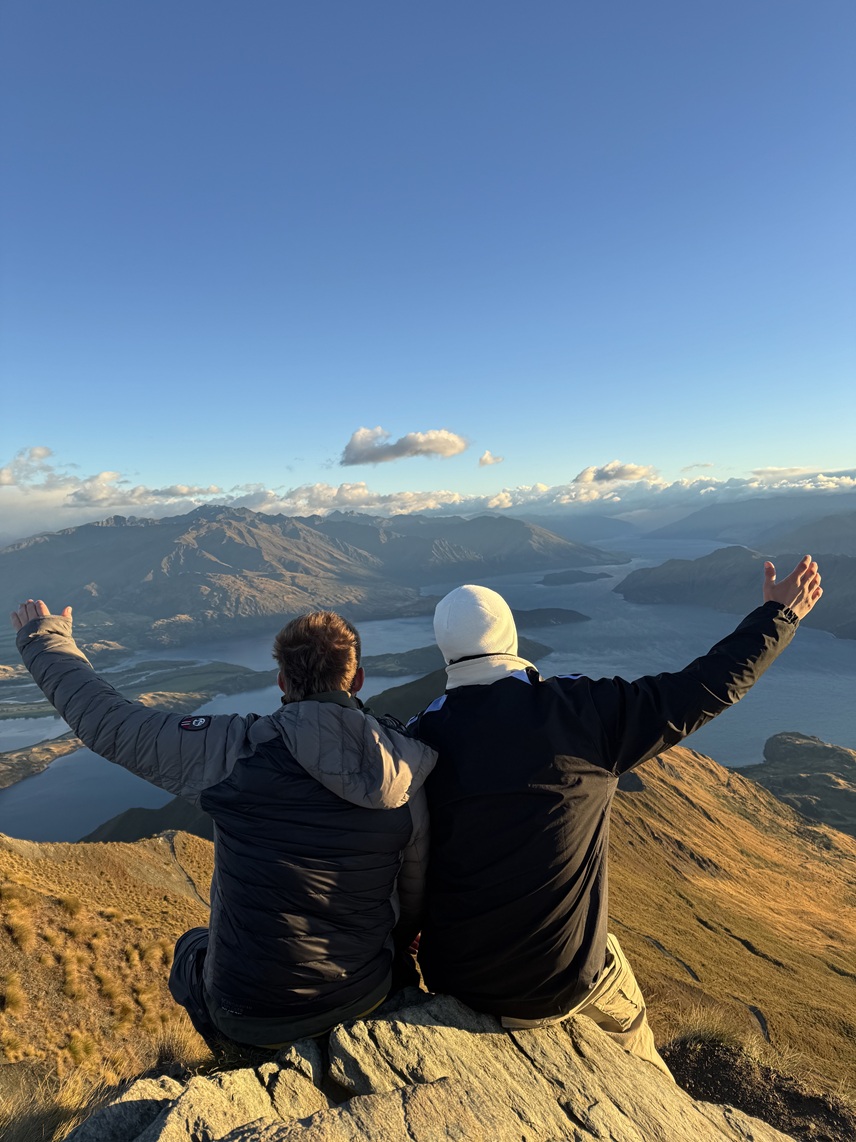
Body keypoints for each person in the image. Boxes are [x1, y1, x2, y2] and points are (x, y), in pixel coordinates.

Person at [408, 556, 823, 1077]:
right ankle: (658, 1099)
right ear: (511, 637)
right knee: (639, 1042)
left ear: (445, 651)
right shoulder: (582, 712)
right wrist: (779, 615)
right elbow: (705, 687)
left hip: (455, 979)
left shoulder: (416, 739)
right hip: (559, 981)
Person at [11, 602, 436, 1052]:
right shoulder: (403, 773)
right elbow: (412, 898)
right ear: (358, 679)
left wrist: (45, 639)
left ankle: (230, 1051)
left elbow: (109, 723)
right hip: (362, 994)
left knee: (191, 949)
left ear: (282, 681)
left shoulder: (233, 749)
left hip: (250, 1015)